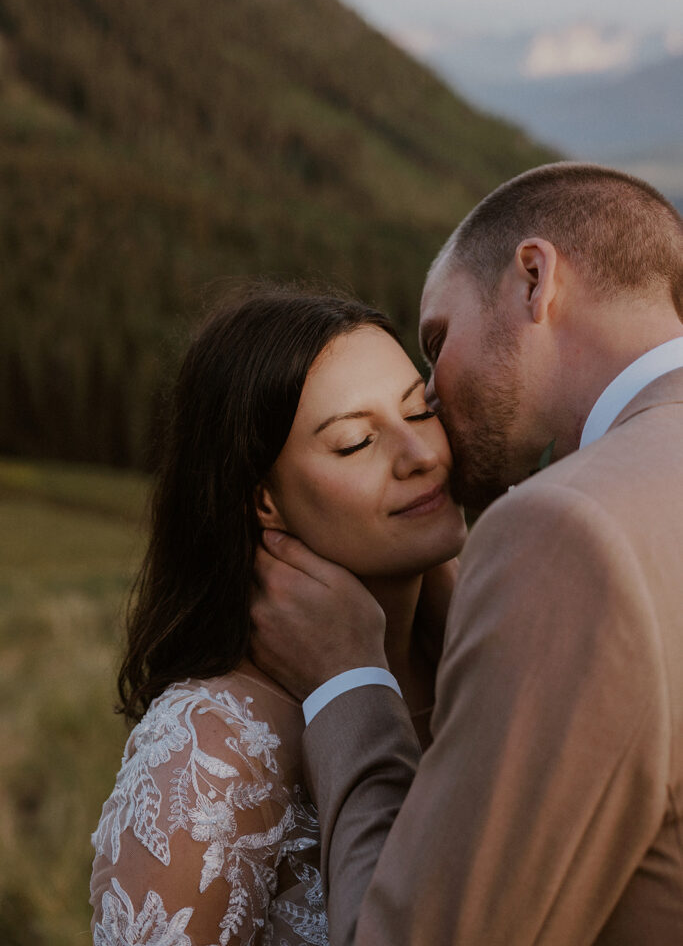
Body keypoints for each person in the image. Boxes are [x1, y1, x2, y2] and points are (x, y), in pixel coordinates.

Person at [250, 163, 683, 945]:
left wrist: (347, 677)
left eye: (437, 344)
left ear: (531, 280)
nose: (436, 406)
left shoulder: (567, 529)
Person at [89, 285, 467, 945]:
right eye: (355, 442)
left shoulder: (484, 664)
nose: (421, 455)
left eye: (421, 409)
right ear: (264, 501)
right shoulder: (211, 753)